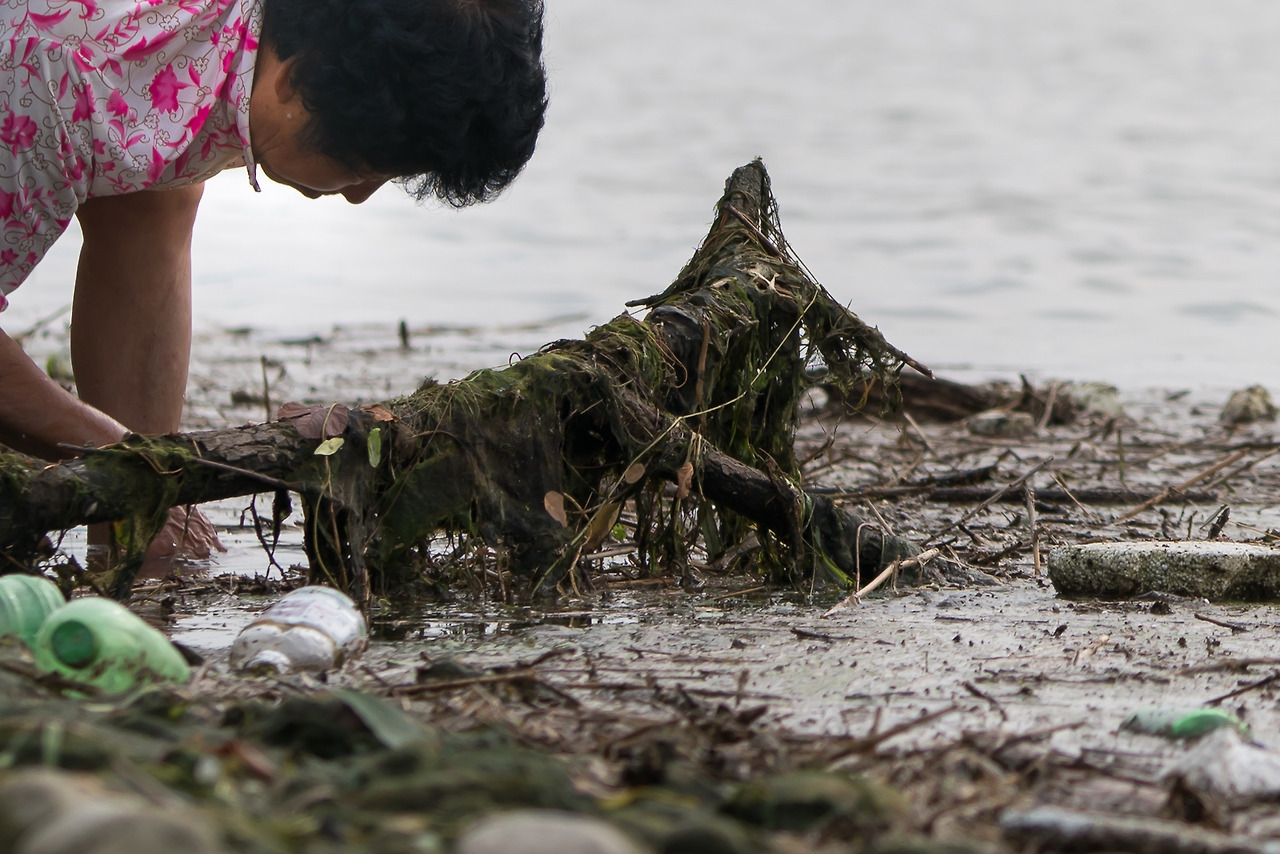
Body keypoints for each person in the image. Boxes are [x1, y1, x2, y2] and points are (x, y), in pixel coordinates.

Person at [0, 0, 548, 573]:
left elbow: (148, 190)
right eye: (361, 166)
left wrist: (145, 489)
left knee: (156, 197)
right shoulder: (55, 74)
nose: (358, 195)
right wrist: (130, 464)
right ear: (291, 80)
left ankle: (135, 541)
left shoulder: (211, 53)